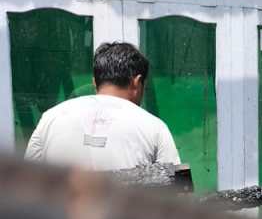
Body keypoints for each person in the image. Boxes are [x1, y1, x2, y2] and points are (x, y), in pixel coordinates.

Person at [26, 42, 180, 171]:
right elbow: (178, 190)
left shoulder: (51, 117)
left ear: (94, 82)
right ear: (137, 82)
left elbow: (26, 180)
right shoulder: (155, 128)